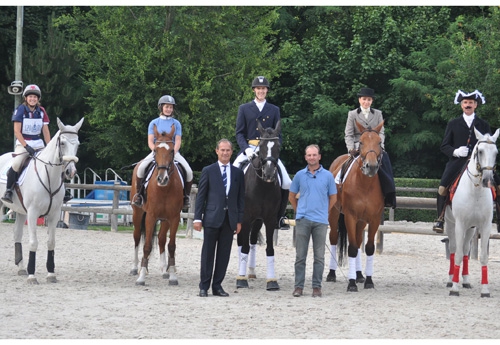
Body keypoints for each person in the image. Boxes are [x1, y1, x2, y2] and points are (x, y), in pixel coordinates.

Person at [433, 89, 500, 233]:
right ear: (461, 105)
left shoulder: (483, 124)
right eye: (465, 102)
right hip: (458, 161)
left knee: (498, 186)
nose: (468, 105)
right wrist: (455, 152)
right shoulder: (453, 123)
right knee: (442, 188)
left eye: (471, 102)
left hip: (481, 164)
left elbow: (489, 145)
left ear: (475, 105)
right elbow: (444, 146)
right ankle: (440, 218)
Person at [234, 76, 292, 230]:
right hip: (250, 148)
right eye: (258, 88)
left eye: (263, 88)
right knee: (233, 175)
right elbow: (239, 133)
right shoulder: (244, 108)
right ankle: (231, 211)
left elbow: (278, 134)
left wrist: (274, 149)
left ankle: (280, 217)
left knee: (286, 181)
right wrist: (246, 149)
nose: (261, 91)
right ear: (254, 90)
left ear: (267, 90)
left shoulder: (274, 110)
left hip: (269, 151)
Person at [194, 139, 245, 297]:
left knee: (224, 255)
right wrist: (197, 217)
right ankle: (204, 286)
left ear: (231, 152)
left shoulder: (237, 173)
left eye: (228, 150)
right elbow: (201, 196)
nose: (225, 153)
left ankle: (217, 285)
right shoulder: (208, 170)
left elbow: (240, 198)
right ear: (217, 151)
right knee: (208, 253)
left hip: (229, 219)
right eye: (222, 150)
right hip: (212, 217)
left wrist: (239, 220)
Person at [288, 144, 337, 298]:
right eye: (309, 155)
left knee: (319, 256)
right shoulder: (299, 175)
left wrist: (325, 211)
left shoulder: (328, 176)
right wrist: (298, 210)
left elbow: (333, 197)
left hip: (320, 221)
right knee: (300, 256)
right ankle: (298, 286)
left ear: (319, 156)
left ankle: (317, 287)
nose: (312, 157)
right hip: (303, 220)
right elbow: (291, 195)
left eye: (314, 155)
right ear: (305, 157)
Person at [131, 95, 193, 208]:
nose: (169, 109)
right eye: (166, 107)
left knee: (189, 171)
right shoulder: (154, 123)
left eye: (170, 107)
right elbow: (150, 141)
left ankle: (186, 197)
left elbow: (178, 140)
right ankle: (139, 195)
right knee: (140, 169)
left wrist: (173, 152)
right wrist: (155, 151)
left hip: (172, 152)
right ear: (161, 107)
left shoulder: (177, 123)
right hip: (157, 152)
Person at [345, 87, 396, 208]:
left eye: (368, 100)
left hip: (374, 145)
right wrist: (351, 148)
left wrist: (381, 146)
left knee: (386, 162)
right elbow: (349, 133)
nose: (366, 102)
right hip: (358, 145)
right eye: (364, 99)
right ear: (359, 100)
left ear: (372, 101)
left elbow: (381, 132)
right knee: (344, 165)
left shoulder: (378, 113)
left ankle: (389, 194)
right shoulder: (352, 114)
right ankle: (340, 185)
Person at [2, 84, 51, 204]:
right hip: (23, 143)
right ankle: (9, 190)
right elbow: (17, 132)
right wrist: (26, 146)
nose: (33, 99)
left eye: (35, 97)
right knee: (17, 163)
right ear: (26, 98)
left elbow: (45, 130)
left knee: (52, 162)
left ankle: (61, 191)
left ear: (38, 99)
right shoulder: (20, 110)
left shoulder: (41, 111)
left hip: (38, 143)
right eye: (30, 97)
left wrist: (49, 146)